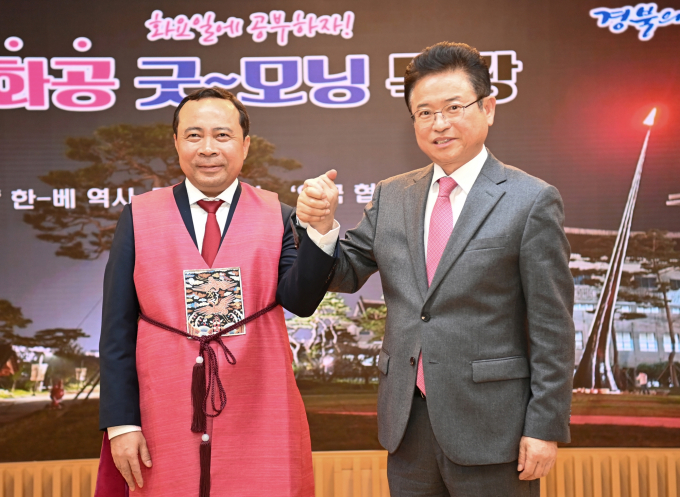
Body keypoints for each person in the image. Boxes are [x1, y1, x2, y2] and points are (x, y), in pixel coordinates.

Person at [296, 42, 575, 496]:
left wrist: (544, 426)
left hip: (494, 428)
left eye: (453, 107)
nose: (439, 123)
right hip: (408, 423)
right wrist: (324, 226)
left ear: (488, 108)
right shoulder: (392, 195)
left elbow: (552, 325)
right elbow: (345, 272)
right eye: (424, 113)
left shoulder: (530, 200)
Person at [97, 87, 337, 497]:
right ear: (176, 143)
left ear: (245, 145)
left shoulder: (277, 215)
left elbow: (300, 301)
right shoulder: (139, 216)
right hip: (163, 410)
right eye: (194, 135)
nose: (208, 148)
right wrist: (121, 423)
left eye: (222, 135)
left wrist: (320, 230)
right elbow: (117, 327)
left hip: (260, 406)